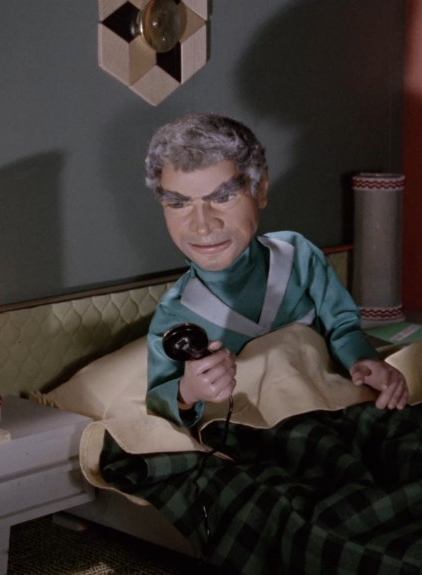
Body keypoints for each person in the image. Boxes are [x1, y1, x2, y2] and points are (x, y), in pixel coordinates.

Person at [144, 113, 407, 427]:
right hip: (256, 430)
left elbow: (342, 325)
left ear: (261, 190)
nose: (202, 225)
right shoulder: (175, 315)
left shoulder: (297, 255)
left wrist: (363, 360)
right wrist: (188, 391)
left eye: (223, 197)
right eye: (178, 204)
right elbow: (160, 399)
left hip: (333, 405)